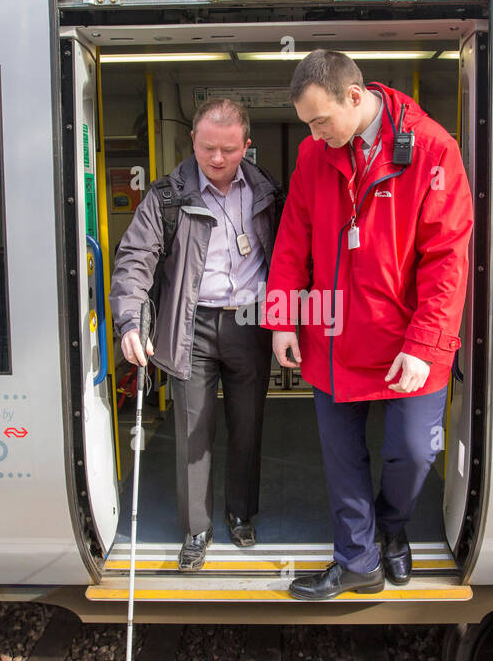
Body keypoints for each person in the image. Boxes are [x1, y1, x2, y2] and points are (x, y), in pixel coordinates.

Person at [264, 50, 473, 600]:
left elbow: (447, 258)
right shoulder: (315, 155)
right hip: (334, 336)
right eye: (306, 124)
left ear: (354, 97)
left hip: (411, 339)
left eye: (320, 121)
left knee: (413, 450)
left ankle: (393, 528)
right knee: (343, 456)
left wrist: (425, 345)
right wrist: (284, 319)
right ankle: (357, 559)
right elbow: (292, 240)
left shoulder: (432, 150)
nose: (313, 134)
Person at [110, 99, 281, 571]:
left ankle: (241, 513)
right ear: (193, 141)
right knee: (193, 432)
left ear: (247, 145)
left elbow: (289, 255)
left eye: (229, 149)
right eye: (208, 148)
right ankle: (197, 528)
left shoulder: (268, 192)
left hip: (250, 323)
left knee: (247, 427)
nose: (218, 159)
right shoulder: (167, 196)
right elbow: (135, 260)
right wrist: (129, 320)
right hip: (191, 324)